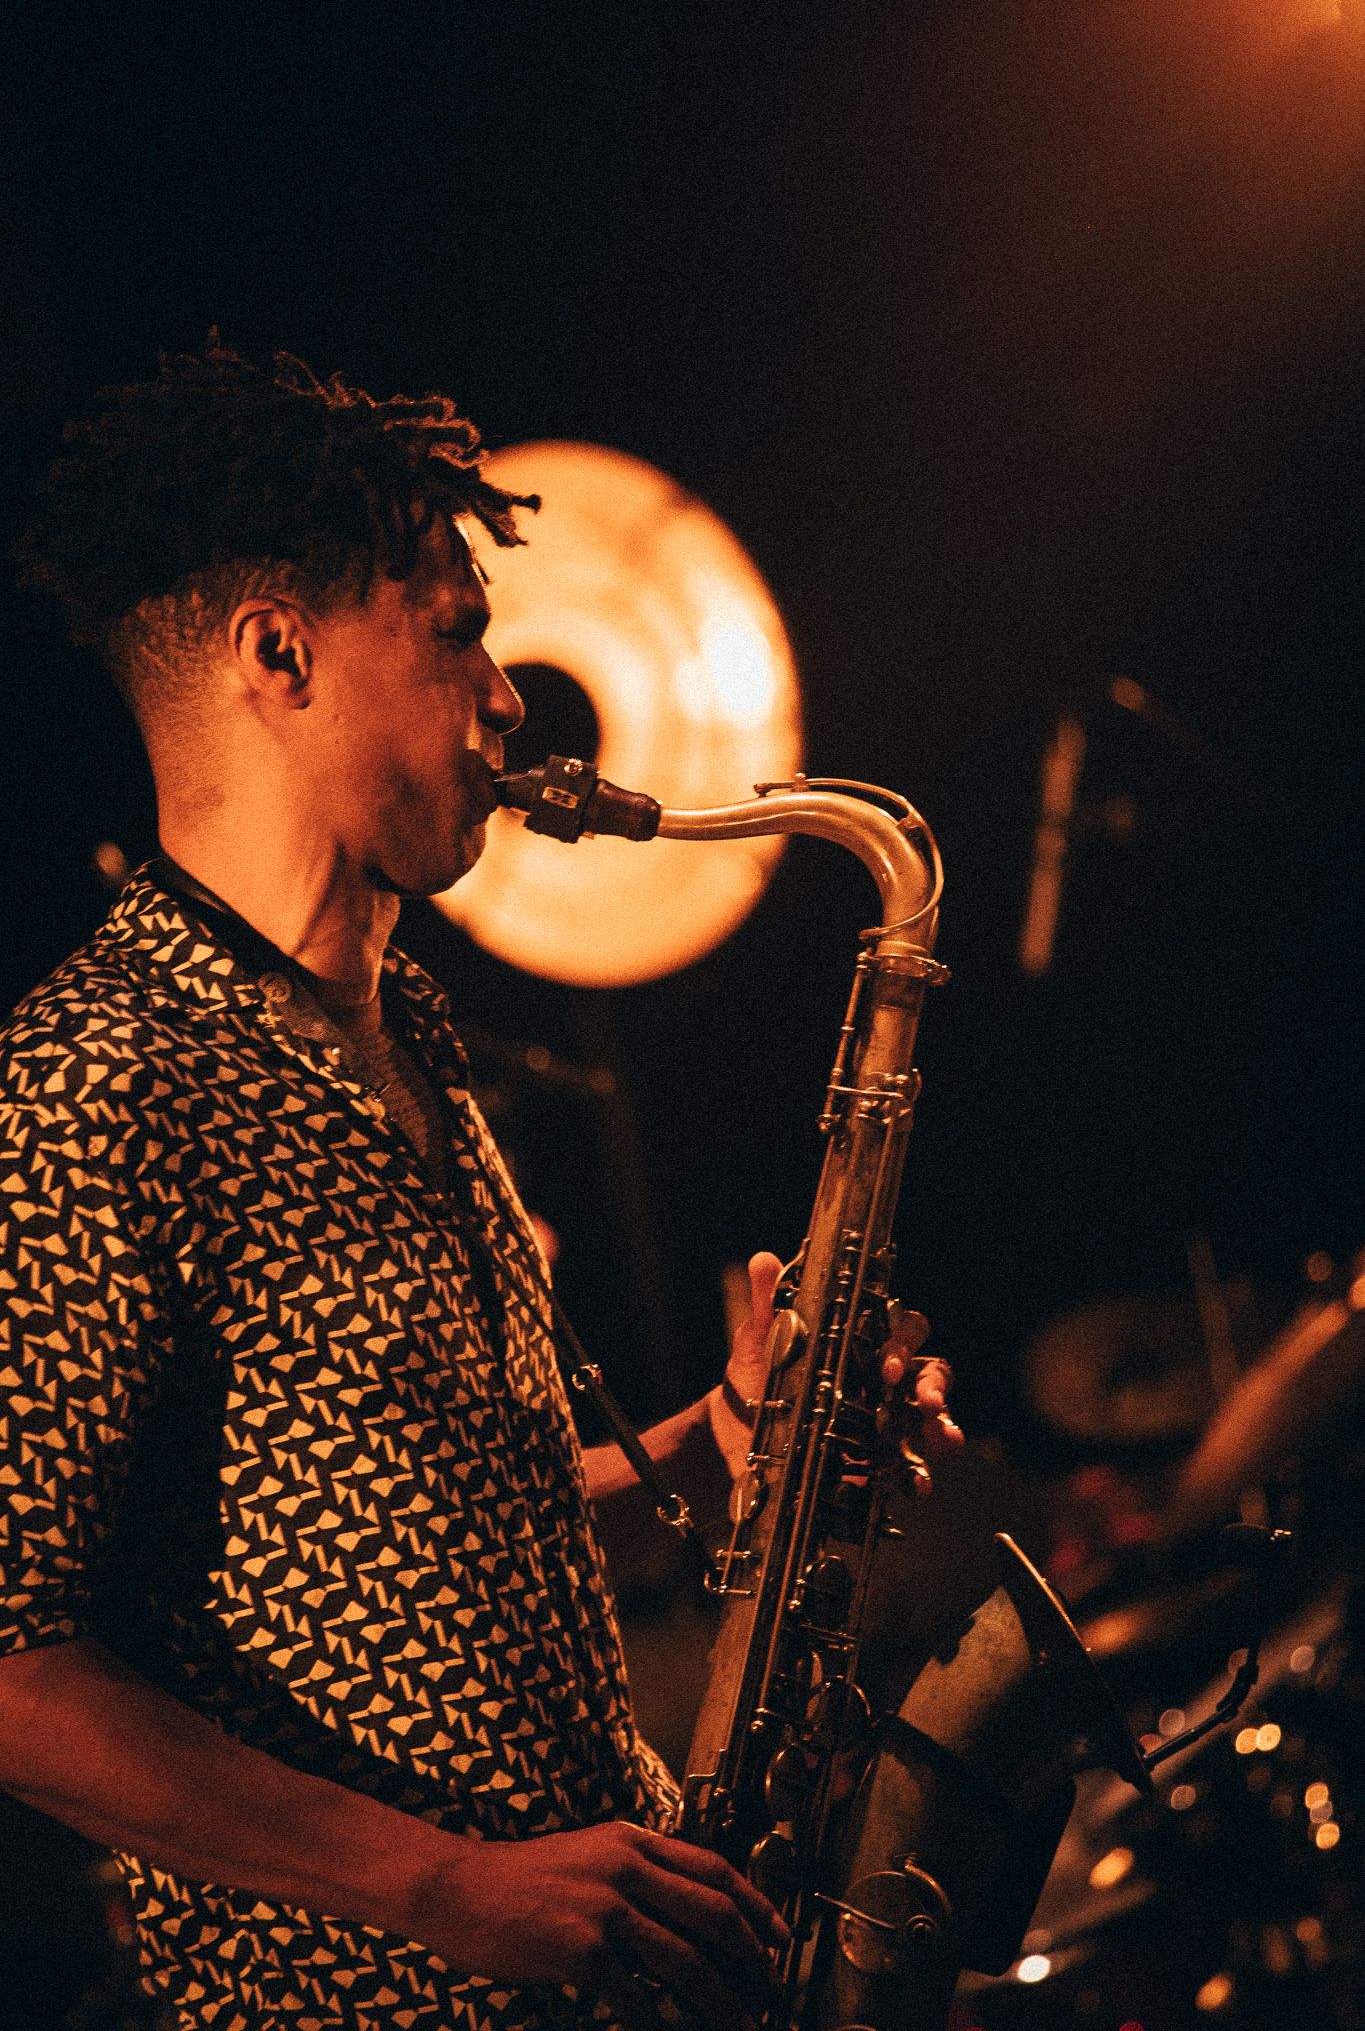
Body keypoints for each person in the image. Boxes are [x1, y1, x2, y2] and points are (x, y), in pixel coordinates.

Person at [0, 341, 960, 2031]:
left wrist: (730, 1441)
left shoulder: (412, 1030)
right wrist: (440, 1886)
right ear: (279, 654)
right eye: (457, 633)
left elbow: (427, 1524)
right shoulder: (99, 1076)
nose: (510, 698)